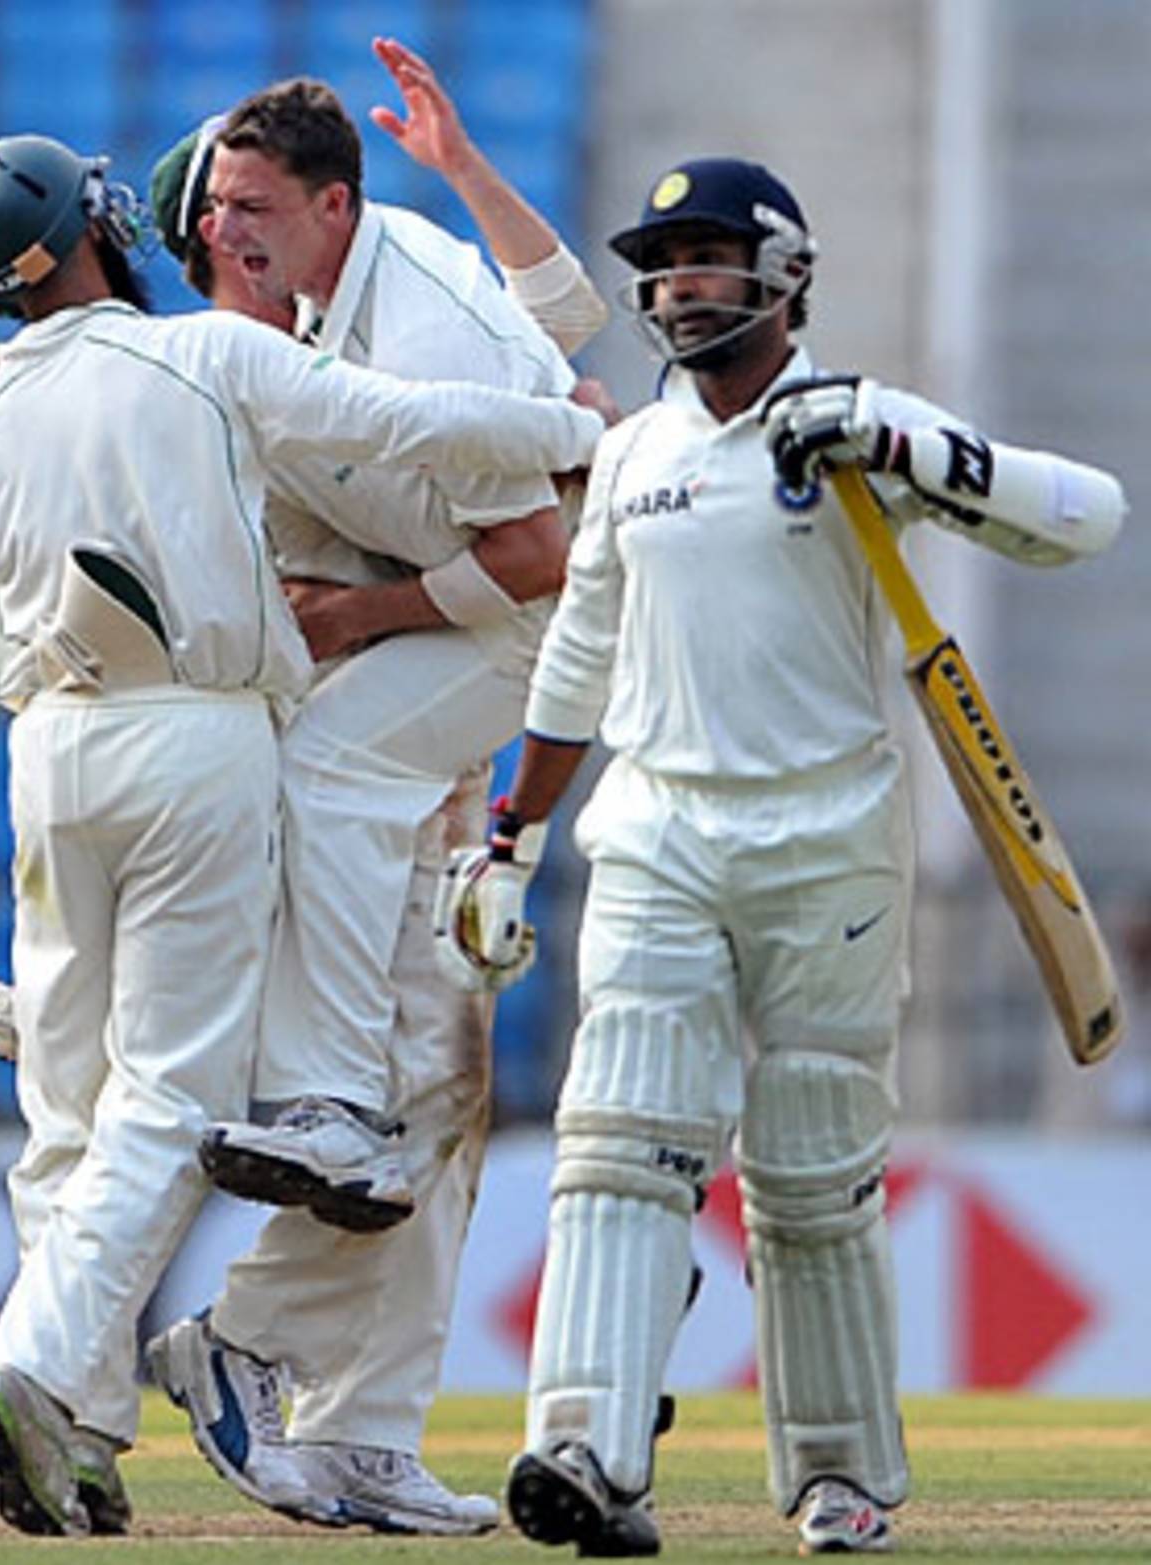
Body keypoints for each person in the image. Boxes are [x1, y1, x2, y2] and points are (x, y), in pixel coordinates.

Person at [0, 42, 611, 1537]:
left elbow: (541, 538)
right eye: (202, 228)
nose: (219, 247)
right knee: (393, 1089)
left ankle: (283, 1358)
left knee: (370, 1050)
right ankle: (231, 1385)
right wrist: (575, 409)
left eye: (246, 212)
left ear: (328, 203)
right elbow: (531, 351)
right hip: (317, 717)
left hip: (471, 660)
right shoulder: (230, 348)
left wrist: (588, 436)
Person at [435, 156, 1127, 1556]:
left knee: (812, 1169)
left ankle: (839, 1474)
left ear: (786, 274)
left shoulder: (858, 424)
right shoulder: (631, 452)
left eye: (709, 255)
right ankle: (588, 1444)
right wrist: (513, 832)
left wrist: (911, 451)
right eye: (666, 259)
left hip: (829, 841)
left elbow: (1087, 517)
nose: (683, 282)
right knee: (619, 1142)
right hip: (658, 833)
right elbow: (578, 653)